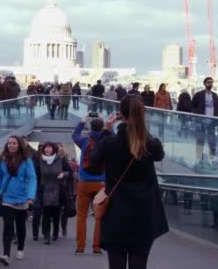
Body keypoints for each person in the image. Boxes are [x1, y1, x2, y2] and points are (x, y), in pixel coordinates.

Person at [92, 95, 168, 269]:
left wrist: (106, 129)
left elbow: (94, 157)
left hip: (116, 215)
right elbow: (159, 154)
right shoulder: (150, 144)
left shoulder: (109, 143)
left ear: (121, 115)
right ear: (142, 115)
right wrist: (141, 127)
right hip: (144, 216)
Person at [0, 136, 37, 266]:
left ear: (19, 145)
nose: (11, 145)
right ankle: (6, 254)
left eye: (14, 143)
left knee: (20, 227)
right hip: (7, 198)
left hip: (22, 198)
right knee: (7, 226)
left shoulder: (26, 160)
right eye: (9, 143)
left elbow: (32, 178)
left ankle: (20, 248)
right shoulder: (2, 160)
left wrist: (30, 197)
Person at [72, 114, 106, 255]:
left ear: (90, 128)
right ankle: (96, 247)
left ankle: (80, 246)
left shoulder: (84, 141)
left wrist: (82, 120)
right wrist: (105, 123)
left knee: (81, 216)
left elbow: (75, 134)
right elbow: (116, 136)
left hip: (84, 182)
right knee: (99, 216)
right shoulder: (108, 140)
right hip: (101, 184)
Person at [34, 142, 73, 245]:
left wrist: (63, 174)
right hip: (44, 189)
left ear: (53, 149)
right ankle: (47, 235)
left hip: (58, 189)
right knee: (46, 214)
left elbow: (70, 172)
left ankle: (55, 232)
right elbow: (35, 175)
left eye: (49, 148)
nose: (47, 149)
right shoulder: (40, 160)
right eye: (45, 148)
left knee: (56, 214)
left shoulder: (60, 159)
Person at [192, 77, 218, 167]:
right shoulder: (199, 94)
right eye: (208, 82)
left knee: (212, 142)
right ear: (204, 84)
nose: (210, 84)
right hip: (201, 122)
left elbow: (217, 108)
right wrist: (197, 115)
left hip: (212, 122)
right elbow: (192, 105)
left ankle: (212, 159)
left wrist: (216, 120)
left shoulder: (215, 95)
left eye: (211, 82)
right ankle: (199, 159)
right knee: (200, 141)